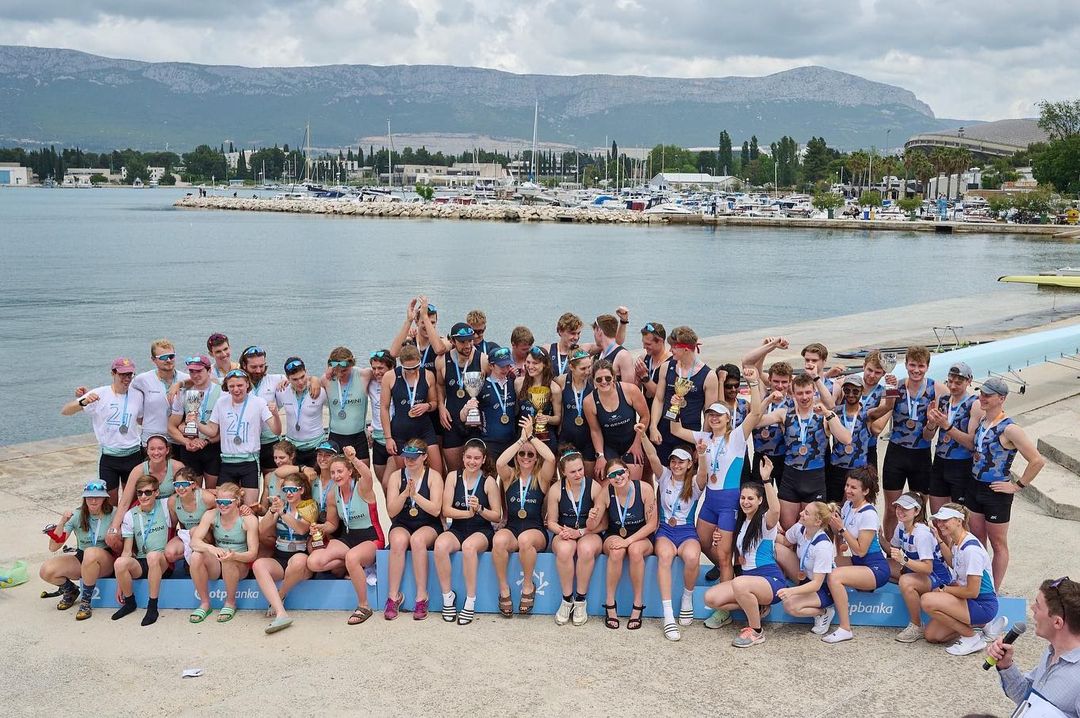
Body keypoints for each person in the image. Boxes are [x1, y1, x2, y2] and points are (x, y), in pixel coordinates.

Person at [667, 366, 764, 596]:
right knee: (701, 541)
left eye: (719, 415)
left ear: (728, 418)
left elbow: (756, 414)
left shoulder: (737, 436)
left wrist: (753, 383)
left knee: (723, 554)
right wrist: (675, 405)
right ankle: (728, 569)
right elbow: (675, 428)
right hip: (710, 500)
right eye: (710, 414)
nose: (714, 418)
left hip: (729, 501)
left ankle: (725, 597)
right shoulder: (704, 437)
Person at [963, 376, 1044, 590]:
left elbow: (1037, 460)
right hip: (975, 486)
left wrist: (1017, 486)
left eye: (988, 395)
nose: (982, 398)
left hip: (996, 492)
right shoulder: (983, 421)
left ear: (1002, 398)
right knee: (977, 540)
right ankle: (980, 585)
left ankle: (994, 590)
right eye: (981, 394)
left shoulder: (1010, 429)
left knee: (998, 544)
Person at [702, 462, 785, 647]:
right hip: (749, 583)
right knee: (711, 598)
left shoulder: (764, 521)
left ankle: (756, 631)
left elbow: (776, 510)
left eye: (751, 498)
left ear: (760, 500)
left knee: (739, 582)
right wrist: (717, 538)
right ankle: (758, 605)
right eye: (743, 498)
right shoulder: (742, 522)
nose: (745, 502)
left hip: (770, 580)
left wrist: (766, 480)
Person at [757, 374, 852, 531]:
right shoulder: (784, 413)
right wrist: (768, 400)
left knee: (811, 529)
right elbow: (756, 421)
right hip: (790, 478)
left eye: (808, 392)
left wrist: (828, 414)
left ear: (814, 391)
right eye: (800, 393)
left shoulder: (824, 415)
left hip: (815, 478)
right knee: (788, 528)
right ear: (793, 394)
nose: (804, 397)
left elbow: (846, 439)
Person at [639, 427, 706, 641]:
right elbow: (652, 456)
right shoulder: (665, 476)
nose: (676, 465)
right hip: (666, 530)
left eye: (681, 462)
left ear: (689, 464)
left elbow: (703, 473)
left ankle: (687, 597)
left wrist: (702, 455)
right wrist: (643, 436)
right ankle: (668, 615)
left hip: (687, 530)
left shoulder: (694, 482)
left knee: (693, 557)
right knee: (665, 557)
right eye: (674, 461)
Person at [868, 345, 940, 542]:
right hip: (896, 454)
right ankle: (890, 550)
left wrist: (932, 423)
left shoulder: (936, 389)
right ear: (906, 365)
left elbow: (929, 436)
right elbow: (881, 418)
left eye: (921, 366)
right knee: (892, 509)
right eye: (912, 365)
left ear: (927, 367)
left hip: (921, 456)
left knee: (919, 510)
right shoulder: (896, 387)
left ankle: (919, 548)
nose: (916, 370)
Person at [306, 451, 383, 625]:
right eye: (333, 472)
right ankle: (352, 566)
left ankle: (364, 606)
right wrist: (320, 527)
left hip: (371, 537)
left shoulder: (362, 486)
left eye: (340, 471)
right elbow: (332, 524)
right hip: (348, 537)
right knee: (314, 562)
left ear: (350, 471)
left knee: (352, 557)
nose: (336, 476)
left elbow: (367, 474)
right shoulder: (333, 494)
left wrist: (354, 458)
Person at [921, 504, 1008, 655]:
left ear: (959, 521)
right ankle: (984, 627)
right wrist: (939, 539)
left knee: (927, 600)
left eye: (945, 520)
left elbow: (973, 592)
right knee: (932, 636)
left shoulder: (971, 550)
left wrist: (944, 589)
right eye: (939, 520)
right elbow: (953, 562)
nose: (940, 524)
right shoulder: (957, 542)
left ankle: (971, 637)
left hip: (982, 604)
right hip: (970, 601)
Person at [989, 576, 1080, 717]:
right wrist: (1006, 665)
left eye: (1038, 605)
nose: (1032, 608)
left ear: (1057, 622)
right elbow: (1026, 698)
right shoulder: (1052, 653)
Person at [435, 439, 502, 625]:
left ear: (483, 459)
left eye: (477, 458)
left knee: (469, 547)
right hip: (457, 528)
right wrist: (467, 513)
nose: (472, 462)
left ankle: (470, 601)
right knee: (440, 545)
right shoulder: (453, 477)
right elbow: (446, 510)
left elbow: (497, 516)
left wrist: (480, 509)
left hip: (481, 529)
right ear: (463, 457)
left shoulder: (489, 481)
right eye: (469, 457)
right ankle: (447, 597)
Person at [821, 467, 891, 643]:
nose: (848, 490)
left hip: (875, 568)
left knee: (835, 576)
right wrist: (834, 525)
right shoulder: (848, 505)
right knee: (824, 563)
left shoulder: (869, 514)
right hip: (859, 562)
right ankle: (822, 609)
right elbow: (841, 535)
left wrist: (841, 529)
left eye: (853, 487)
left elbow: (861, 550)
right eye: (847, 485)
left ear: (865, 491)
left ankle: (845, 628)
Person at [493, 421, 555, 617]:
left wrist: (531, 437)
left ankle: (528, 585)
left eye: (530, 454)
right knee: (498, 540)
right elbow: (499, 463)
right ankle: (504, 589)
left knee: (525, 540)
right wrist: (521, 440)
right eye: (522, 454)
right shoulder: (509, 476)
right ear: (517, 456)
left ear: (536, 458)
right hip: (512, 528)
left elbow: (551, 458)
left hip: (535, 530)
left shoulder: (541, 478)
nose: (526, 457)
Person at [61, 357, 145, 501]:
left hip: (133, 454)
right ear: (113, 373)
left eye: (130, 374)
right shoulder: (99, 394)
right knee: (110, 503)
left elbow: (141, 419)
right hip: (109, 457)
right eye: (122, 374)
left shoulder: (137, 395)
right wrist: (83, 401)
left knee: (132, 500)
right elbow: (66, 411)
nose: (127, 378)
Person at [589, 457, 657, 631]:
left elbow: (652, 525)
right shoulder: (605, 493)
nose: (617, 477)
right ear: (608, 479)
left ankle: (638, 604)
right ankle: (610, 603)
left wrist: (627, 541)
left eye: (620, 472)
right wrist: (591, 518)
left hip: (641, 536)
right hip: (614, 534)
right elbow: (593, 526)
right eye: (612, 475)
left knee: (635, 550)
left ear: (627, 472)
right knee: (616, 551)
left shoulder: (645, 489)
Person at [382, 440, 444, 620]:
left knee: (417, 540)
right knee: (398, 541)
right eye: (406, 457)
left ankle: (421, 596)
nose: (409, 461)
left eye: (413, 458)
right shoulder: (396, 477)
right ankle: (393, 596)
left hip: (428, 523)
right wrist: (404, 494)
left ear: (424, 457)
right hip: (403, 522)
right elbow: (391, 511)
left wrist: (415, 495)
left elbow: (436, 510)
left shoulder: (433, 477)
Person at [200, 369, 280, 505]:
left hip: (249, 461)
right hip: (227, 462)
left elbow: (276, 431)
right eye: (231, 386)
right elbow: (212, 431)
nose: (236, 389)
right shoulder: (221, 402)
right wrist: (195, 423)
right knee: (224, 505)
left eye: (240, 385)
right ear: (227, 387)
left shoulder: (258, 402)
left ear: (247, 384)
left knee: (250, 507)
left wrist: (276, 415)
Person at [39, 480, 116, 621]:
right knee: (46, 570)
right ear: (84, 498)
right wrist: (62, 522)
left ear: (105, 498)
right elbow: (54, 547)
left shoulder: (114, 513)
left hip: (105, 559)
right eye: (89, 497)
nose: (93, 501)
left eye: (97, 497)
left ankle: (86, 601)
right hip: (82, 556)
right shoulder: (76, 515)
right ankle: (71, 591)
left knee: (91, 553)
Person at [545, 450, 604, 626]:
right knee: (565, 550)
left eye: (580, 469)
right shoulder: (556, 489)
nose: (578, 474)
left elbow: (604, 524)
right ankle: (566, 600)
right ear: (563, 472)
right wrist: (562, 531)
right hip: (566, 531)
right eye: (572, 471)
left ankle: (580, 600)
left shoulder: (594, 487)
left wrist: (580, 532)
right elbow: (551, 522)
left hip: (589, 532)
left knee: (586, 549)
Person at [187, 482, 259, 623]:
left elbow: (253, 554)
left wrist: (235, 556)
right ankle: (205, 603)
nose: (222, 505)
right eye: (219, 501)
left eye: (227, 502)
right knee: (196, 556)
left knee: (228, 560)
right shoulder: (211, 514)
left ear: (237, 501)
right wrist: (211, 548)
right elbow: (194, 542)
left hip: (239, 564)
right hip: (218, 561)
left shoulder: (248, 519)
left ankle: (230, 602)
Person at [253, 472, 315, 634]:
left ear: (301, 490)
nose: (289, 493)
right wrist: (271, 511)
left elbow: (301, 529)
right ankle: (281, 613)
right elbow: (262, 530)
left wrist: (282, 513)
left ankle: (280, 594)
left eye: (292, 489)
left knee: (299, 561)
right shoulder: (281, 506)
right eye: (285, 489)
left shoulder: (309, 506)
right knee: (258, 565)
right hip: (280, 557)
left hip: (301, 558)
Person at [891, 492, 956, 643]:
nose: (900, 511)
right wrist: (878, 537)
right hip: (917, 570)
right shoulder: (901, 526)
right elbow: (892, 550)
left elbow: (927, 568)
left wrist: (904, 560)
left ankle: (916, 625)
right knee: (883, 568)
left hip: (937, 577)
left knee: (906, 581)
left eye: (905, 508)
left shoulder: (922, 533)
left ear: (917, 511)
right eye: (898, 507)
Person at [649, 326, 718, 463]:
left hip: (689, 434)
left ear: (685, 349)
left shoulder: (708, 376)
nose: (670, 350)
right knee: (663, 473)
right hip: (664, 431)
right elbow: (659, 399)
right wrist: (653, 427)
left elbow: (709, 413)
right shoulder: (666, 367)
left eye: (674, 347)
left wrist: (703, 442)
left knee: (685, 473)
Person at [112, 476, 172, 626]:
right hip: (142, 561)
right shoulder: (130, 514)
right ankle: (130, 602)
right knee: (119, 562)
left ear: (156, 492)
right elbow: (127, 551)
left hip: (162, 561)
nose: (143, 496)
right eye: (139, 493)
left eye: (148, 492)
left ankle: (152, 607)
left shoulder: (165, 506)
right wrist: (120, 583)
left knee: (153, 556)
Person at [924, 362, 982, 512]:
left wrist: (947, 426)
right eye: (950, 381)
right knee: (937, 515)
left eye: (958, 383)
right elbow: (928, 437)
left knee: (958, 517)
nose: (953, 386)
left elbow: (971, 443)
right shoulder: (943, 400)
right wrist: (931, 423)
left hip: (961, 465)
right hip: (940, 462)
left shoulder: (974, 404)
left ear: (969, 381)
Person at [776, 501, 838, 637]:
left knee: (790, 606)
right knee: (776, 548)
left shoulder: (823, 546)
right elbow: (785, 541)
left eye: (806, 513)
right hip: (805, 576)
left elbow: (816, 584)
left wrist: (791, 591)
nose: (800, 513)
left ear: (817, 522)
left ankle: (824, 613)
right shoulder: (800, 528)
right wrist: (768, 530)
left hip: (823, 588)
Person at [584, 359, 650, 482]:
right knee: (606, 484)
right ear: (593, 380)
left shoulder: (630, 390)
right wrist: (600, 456)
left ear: (614, 377)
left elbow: (645, 416)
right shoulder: (589, 401)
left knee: (632, 484)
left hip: (631, 443)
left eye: (608, 378)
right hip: (609, 447)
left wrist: (637, 443)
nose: (604, 382)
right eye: (599, 379)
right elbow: (595, 430)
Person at [381, 344, 442, 473]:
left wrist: (427, 406)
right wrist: (388, 438)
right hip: (400, 431)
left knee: (436, 472)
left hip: (424, 430)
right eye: (408, 368)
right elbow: (384, 408)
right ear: (401, 363)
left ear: (419, 361)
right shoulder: (390, 377)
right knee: (405, 474)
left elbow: (434, 403)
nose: (412, 371)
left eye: (415, 367)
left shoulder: (428, 375)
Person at [167, 355, 222, 489]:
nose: (195, 375)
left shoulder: (222, 392)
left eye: (199, 371)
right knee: (192, 491)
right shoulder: (183, 394)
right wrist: (187, 442)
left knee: (212, 491)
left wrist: (207, 441)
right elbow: (171, 427)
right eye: (192, 371)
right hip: (190, 448)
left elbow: (225, 429)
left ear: (209, 370)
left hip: (213, 447)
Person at [437, 323, 487, 472]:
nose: (467, 345)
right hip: (451, 422)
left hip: (475, 423)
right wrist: (441, 406)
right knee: (454, 472)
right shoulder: (442, 361)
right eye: (462, 342)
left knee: (477, 470)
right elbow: (440, 385)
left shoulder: (482, 359)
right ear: (453, 341)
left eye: (470, 340)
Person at [824, 375, 878, 503]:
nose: (851, 394)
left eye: (855, 391)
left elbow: (887, 407)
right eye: (847, 390)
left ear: (862, 391)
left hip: (859, 470)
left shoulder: (867, 414)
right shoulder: (835, 412)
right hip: (836, 467)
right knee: (833, 507)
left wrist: (891, 387)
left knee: (856, 506)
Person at [462, 346, 519, 461]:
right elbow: (463, 417)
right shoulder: (480, 386)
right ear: (491, 366)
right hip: (490, 443)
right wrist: (467, 409)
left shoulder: (513, 384)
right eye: (501, 366)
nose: (505, 369)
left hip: (511, 443)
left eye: (508, 365)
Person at [129, 339, 187, 446]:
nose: (168, 360)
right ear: (153, 360)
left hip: (178, 439)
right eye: (163, 357)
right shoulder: (142, 380)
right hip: (151, 440)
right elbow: (125, 394)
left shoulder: (185, 379)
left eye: (171, 356)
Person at [238, 345, 284, 476]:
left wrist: (313, 380)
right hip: (247, 443)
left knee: (272, 481)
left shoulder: (276, 379)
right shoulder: (237, 384)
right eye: (254, 367)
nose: (258, 370)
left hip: (270, 442)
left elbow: (302, 379)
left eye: (262, 366)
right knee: (249, 484)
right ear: (244, 365)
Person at [322, 346, 373, 464]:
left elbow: (386, 371)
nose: (340, 374)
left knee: (362, 474)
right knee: (336, 474)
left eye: (344, 370)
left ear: (352, 365)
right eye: (336, 370)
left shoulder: (364, 375)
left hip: (358, 437)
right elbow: (307, 384)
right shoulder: (326, 379)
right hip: (335, 436)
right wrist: (314, 380)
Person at [275, 357, 327, 468]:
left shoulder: (319, 391)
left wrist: (315, 379)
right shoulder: (282, 391)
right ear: (287, 378)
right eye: (294, 379)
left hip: (316, 447)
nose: (300, 382)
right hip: (293, 449)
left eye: (302, 377)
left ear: (306, 372)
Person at [555, 349, 596, 476]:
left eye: (589, 367)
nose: (587, 371)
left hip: (588, 439)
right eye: (583, 369)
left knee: (587, 479)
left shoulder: (594, 382)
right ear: (571, 367)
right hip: (566, 439)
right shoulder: (562, 381)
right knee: (567, 478)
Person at [515, 345, 562, 455]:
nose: (530, 366)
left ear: (545, 364)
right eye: (528, 362)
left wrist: (547, 418)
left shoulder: (554, 389)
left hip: (545, 438)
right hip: (523, 437)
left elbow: (558, 418)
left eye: (535, 363)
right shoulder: (519, 383)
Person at [165, 467, 215, 567]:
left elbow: (221, 518)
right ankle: (189, 557)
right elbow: (174, 526)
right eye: (177, 484)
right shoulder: (172, 501)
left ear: (193, 485)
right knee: (170, 554)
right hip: (187, 534)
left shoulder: (207, 498)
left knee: (194, 531)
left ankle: (197, 560)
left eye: (184, 484)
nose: (180, 488)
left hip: (207, 535)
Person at [367, 349, 395, 487]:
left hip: (394, 438)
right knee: (383, 487)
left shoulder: (398, 382)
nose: (376, 372)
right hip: (378, 439)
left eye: (380, 368)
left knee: (388, 483)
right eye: (374, 368)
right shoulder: (370, 383)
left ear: (391, 367)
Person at [591, 312, 635, 384]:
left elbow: (629, 387)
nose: (594, 335)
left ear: (599, 330)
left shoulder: (623, 355)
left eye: (594, 331)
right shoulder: (597, 355)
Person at [635, 321, 669, 403]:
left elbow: (661, 396)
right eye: (643, 343)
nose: (644, 347)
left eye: (648, 344)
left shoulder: (671, 363)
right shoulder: (643, 359)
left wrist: (644, 376)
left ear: (660, 341)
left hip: (662, 409)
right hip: (646, 408)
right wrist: (637, 380)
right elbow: (636, 391)